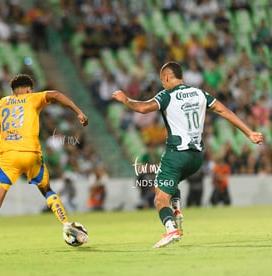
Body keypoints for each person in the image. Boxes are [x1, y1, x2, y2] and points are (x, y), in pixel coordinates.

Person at [112, 61, 264, 248]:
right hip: (196, 158)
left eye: (162, 80)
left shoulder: (167, 95)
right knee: (170, 183)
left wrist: (125, 99)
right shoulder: (200, 93)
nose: (162, 84)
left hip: (176, 155)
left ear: (167, 77)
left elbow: (143, 108)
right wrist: (249, 132)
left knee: (159, 198)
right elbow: (224, 111)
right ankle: (176, 210)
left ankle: (171, 229)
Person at [0, 74, 88, 253]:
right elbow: (56, 95)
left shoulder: (2, 103)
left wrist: (8, 128)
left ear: (13, 90)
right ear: (28, 88)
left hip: (9, 157)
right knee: (47, 191)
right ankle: (66, 224)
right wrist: (78, 112)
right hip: (31, 154)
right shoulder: (33, 98)